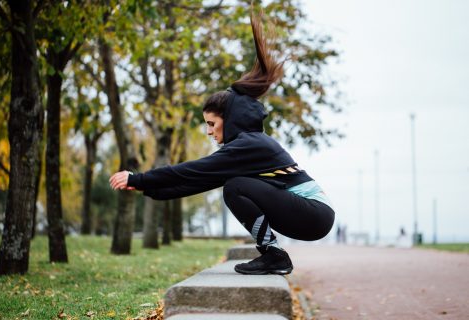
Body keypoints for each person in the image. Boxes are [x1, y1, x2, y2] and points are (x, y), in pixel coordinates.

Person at [109, 12, 335, 275]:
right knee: (232, 185)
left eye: (212, 124)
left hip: (314, 213)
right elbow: (200, 181)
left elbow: (192, 169)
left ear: (230, 119)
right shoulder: (245, 147)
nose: (208, 132)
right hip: (311, 216)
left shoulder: (249, 145)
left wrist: (138, 178)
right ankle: (274, 255)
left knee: (235, 187)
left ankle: (274, 256)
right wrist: (150, 190)